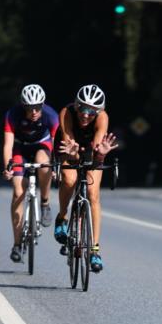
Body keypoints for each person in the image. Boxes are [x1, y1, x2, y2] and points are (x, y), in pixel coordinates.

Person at [54, 84, 118, 273]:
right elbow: (69, 140)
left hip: (90, 150)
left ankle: (94, 250)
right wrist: (73, 155)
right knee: (69, 180)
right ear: (76, 105)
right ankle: (62, 217)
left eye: (92, 111)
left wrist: (101, 155)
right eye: (82, 108)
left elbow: (97, 153)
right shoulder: (66, 113)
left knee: (93, 193)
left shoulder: (102, 118)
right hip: (69, 147)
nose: (85, 114)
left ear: (99, 111)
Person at [2, 84, 59, 263]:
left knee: (44, 164)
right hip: (20, 147)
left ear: (43, 104)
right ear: (23, 106)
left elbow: (57, 144)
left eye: (38, 107)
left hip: (42, 145)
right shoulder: (12, 115)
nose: (34, 111)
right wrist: (7, 167)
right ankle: (17, 244)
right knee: (18, 192)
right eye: (29, 107)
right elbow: (8, 145)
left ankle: (45, 202)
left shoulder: (51, 116)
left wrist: (55, 165)